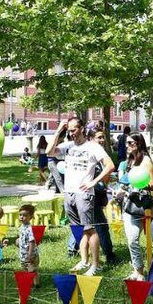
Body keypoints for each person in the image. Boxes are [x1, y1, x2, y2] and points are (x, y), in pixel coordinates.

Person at [48, 117, 115, 276]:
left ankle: (96, 264)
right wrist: (58, 131)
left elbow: (110, 165)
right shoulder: (68, 146)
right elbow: (48, 152)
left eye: (74, 130)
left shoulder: (93, 147)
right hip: (69, 192)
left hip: (84, 194)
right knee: (78, 228)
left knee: (90, 229)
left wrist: (94, 182)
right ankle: (84, 260)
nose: (71, 133)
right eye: (69, 130)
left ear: (82, 129)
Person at [119, 133, 153, 281]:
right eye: (127, 143)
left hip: (143, 205)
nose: (128, 146)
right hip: (129, 205)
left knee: (152, 241)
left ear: (139, 144)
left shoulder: (146, 160)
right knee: (132, 240)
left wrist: (139, 186)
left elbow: (152, 184)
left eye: (131, 143)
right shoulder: (129, 161)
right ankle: (138, 271)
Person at [90, 129, 116, 264]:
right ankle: (109, 254)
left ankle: (72, 249)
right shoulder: (90, 155)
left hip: (98, 194)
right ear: (91, 138)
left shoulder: (99, 155)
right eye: (99, 137)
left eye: (103, 137)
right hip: (90, 196)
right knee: (101, 226)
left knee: (86, 224)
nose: (102, 140)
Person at [17, 204, 40, 288]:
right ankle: (29, 282)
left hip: (31, 254)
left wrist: (30, 254)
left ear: (31, 217)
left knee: (32, 269)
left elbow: (32, 242)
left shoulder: (30, 228)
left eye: (25, 215)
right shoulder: (22, 227)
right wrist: (18, 241)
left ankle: (36, 284)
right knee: (25, 269)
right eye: (20, 215)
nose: (22, 217)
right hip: (23, 253)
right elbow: (23, 238)